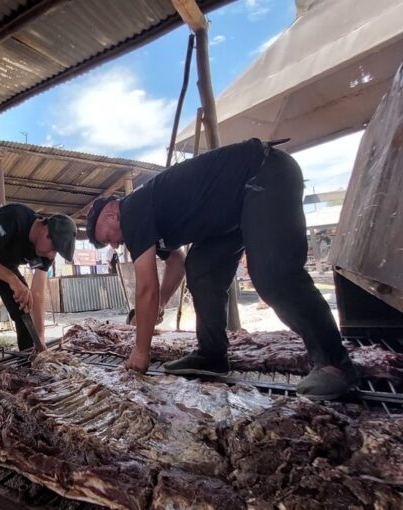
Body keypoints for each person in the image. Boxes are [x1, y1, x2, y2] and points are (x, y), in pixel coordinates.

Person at [86, 138, 357, 401]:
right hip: (230, 213)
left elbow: (146, 286)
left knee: (272, 273)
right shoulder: (146, 217)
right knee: (202, 271)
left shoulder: (132, 209)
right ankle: (212, 354)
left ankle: (334, 362)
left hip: (264, 173)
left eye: (108, 237)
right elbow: (176, 262)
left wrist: (141, 351)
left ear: (111, 215)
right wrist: (162, 305)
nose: (114, 243)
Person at [0, 204, 77, 366]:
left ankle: (28, 365)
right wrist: (12, 279)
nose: (52, 255)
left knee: (25, 309)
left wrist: (40, 337)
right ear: (45, 230)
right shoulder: (14, 217)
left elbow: (38, 294)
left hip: (5, 262)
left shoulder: (46, 254)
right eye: (54, 248)